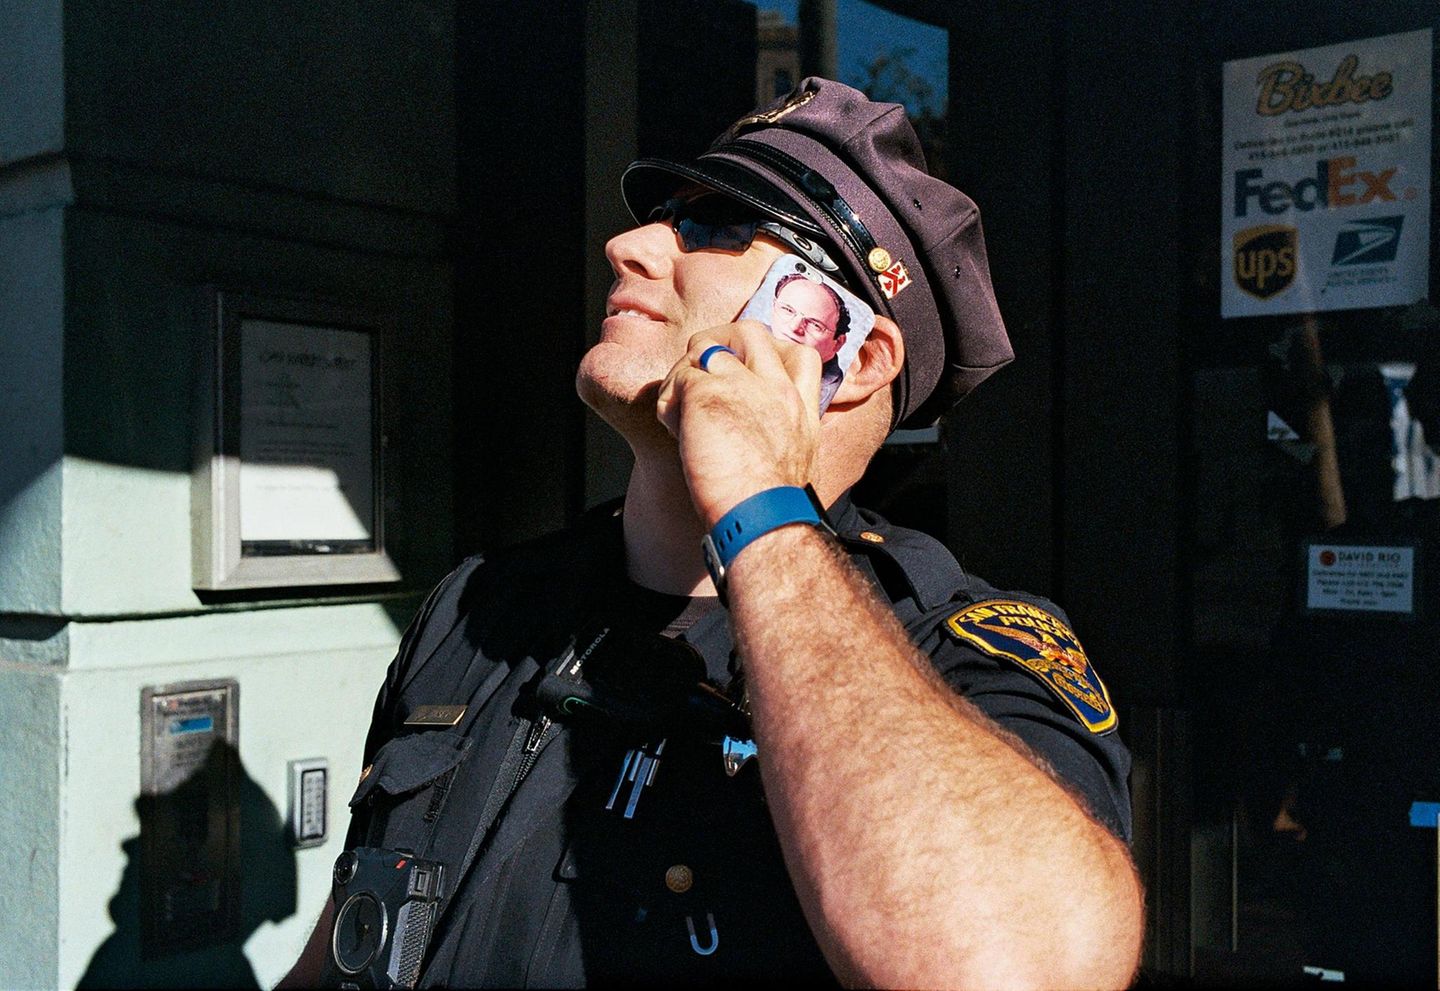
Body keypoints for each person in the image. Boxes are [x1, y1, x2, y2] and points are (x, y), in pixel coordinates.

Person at [281, 77, 1143, 989]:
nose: (629, 245)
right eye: (660, 215)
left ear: (851, 357)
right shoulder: (484, 604)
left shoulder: (957, 652)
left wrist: (761, 502)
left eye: (717, 226)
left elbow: (1017, 967)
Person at [769, 271, 850, 409]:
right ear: (773, 307)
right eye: (788, 310)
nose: (794, 327)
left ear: (838, 343)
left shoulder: (819, 395)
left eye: (815, 325)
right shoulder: (750, 332)